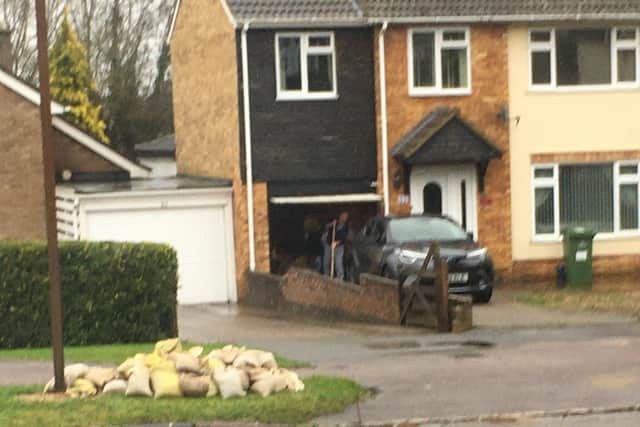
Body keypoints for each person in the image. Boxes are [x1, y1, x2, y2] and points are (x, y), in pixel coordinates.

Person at [323, 211, 349, 280]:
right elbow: (326, 227)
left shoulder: (346, 227)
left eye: (346, 217)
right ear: (340, 216)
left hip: (339, 247)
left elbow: (344, 238)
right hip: (329, 244)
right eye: (343, 216)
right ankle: (326, 275)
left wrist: (336, 243)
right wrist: (331, 224)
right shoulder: (334, 223)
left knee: (338, 262)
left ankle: (340, 277)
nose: (344, 218)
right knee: (326, 260)